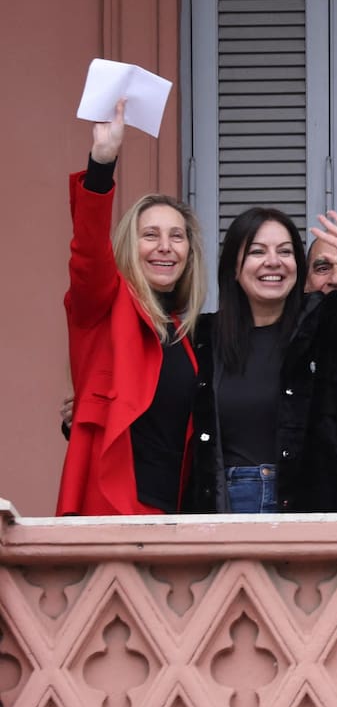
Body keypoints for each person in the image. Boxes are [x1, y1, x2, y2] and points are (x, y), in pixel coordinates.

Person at [184, 207, 337, 513]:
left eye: (285, 251)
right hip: (224, 511)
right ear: (234, 269)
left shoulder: (327, 321)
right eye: (257, 251)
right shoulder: (203, 337)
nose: (273, 261)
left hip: (316, 510)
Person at [58, 100, 207, 515]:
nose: (165, 246)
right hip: (112, 508)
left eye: (177, 236)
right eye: (151, 235)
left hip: (174, 518)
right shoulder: (104, 304)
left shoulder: (185, 333)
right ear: (129, 244)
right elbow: (88, 252)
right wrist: (102, 163)